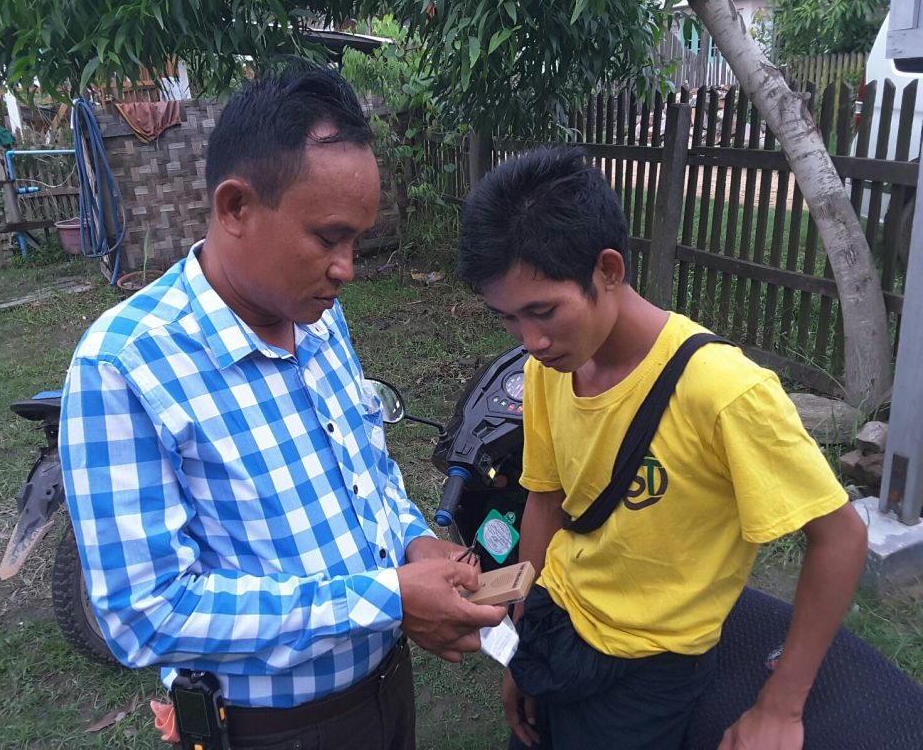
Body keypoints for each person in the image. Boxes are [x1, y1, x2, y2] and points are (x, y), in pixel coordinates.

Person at [59, 66, 506, 750]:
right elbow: (145, 614)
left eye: (355, 241)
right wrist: (387, 596)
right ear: (236, 207)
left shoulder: (318, 318)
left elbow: (367, 473)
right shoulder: (125, 367)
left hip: (386, 689)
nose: (347, 267)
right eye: (328, 238)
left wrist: (413, 543)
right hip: (271, 730)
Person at [457, 146, 868, 750]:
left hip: (648, 669)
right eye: (509, 319)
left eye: (543, 311)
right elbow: (544, 500)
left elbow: (840, 537)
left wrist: (781, 706)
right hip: (554, 620)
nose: (532, 340)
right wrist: (521, 647)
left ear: (608, 270)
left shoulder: (724, 392)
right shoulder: (549, 370)